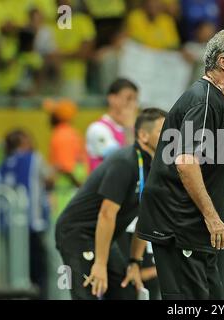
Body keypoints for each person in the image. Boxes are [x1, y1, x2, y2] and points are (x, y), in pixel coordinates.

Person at [137, 28, 224, 300]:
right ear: (223, 62)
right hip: (180, 226)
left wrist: (214, 201)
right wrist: (211, 215)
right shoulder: (204, 100)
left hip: (194, 226)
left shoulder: (217, 101)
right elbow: (185, 162)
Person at [55, 108, 166, 300]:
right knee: (88, 292)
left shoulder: (154, 168)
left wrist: (134, 262)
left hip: (103, 236)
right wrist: (100, 263)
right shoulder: (125, 162)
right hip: (77, 233)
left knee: (127, 292)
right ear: (143, 135)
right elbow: (106, 214)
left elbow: (145, 218)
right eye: (163, 131)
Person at [0, 129, 52, 299]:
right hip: (33, 222)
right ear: (24, 142)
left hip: (11, 225)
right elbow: (50, 177)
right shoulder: (34, 158)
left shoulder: (6, 162)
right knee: (40, 271)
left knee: (17, 269)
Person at [86, 78, 139, 172]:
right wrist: (128, 128)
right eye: (129, 98)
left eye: (135, 100)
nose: (133, 105)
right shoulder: (98, 129)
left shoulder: (135, 128)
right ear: (112, 98)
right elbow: (123, 161)